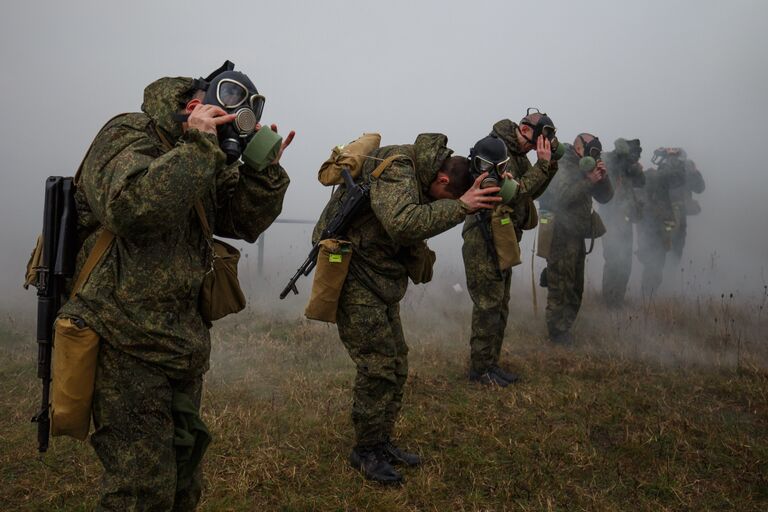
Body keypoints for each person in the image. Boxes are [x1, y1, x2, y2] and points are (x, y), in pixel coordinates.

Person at [57, 62, 293, 510]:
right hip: (122, 337)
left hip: (180, 341)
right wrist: (200, 147)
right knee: (141, 488)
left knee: (184, 473)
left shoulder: (200, 155)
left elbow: (241, 221)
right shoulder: (130, 134)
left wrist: (263, 173)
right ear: (193, 105)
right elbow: (130, 208)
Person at [312, 133, 498, 484]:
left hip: (380, 278)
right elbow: (402, 223)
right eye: (447, 196)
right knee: (379, 366)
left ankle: (381, 442)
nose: (444, 203)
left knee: (397, 363)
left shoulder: (423, 176)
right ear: (441, 179)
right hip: (354, 275)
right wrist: (461, 207)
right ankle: (365, 451)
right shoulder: (399, 168)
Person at [461, 110, 560, 386]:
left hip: (501, 237)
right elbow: (514, 191)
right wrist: (541, 165)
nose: (540, 145)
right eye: (541, 138)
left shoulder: (518, 154)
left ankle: (490, 365)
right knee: (488, 305)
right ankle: (479, 371)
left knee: (500, 305)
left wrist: (548, 166)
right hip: (483, 236)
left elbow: (532, 189)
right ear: (527, 130)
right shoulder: (496, 148)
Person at [539, 134, 613, 344]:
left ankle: (566, 325)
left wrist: (602, 178)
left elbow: (606, 198)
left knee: (575, 285)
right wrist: (587, 181)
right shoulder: (563, 165)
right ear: (578, 148)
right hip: (560, 234)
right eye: (591, 151)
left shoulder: (585, 168)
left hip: (577, 234)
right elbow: (561, 199)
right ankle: (556, 332)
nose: (593, 156)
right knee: (561, 284)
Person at [598, 138, 645, 307]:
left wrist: (635, 168)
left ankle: (618, 300)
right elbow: (606, 165)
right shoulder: (610, 161)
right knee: (613, 260)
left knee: (625, 262)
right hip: (611, 221)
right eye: (632, 156)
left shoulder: (629, 169)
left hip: (625, 222)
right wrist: (620, 155)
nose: (634, 159)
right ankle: (609, 302)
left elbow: (642, 182)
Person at [636, 148, 687, 297]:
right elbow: (678, 176)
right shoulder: (655, 177)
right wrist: (672, 158)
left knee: (656, 263)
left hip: (654, 226)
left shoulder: (651, 177)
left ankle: (648, 297)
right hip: (655, 227)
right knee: (655, 264)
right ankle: (647, 299)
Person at [669, 158, 706, 265]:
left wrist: (694, 172)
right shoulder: (664, 169)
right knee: (668, 246)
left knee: (677, 247)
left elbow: (700, 188)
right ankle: (666, 275)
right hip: (667, 215)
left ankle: (671, 275)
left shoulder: (686, 173)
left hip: (680, 216)